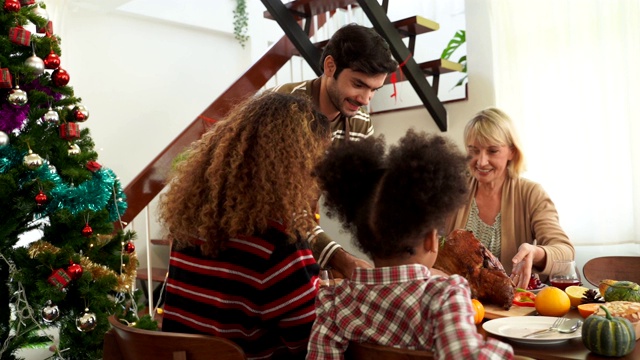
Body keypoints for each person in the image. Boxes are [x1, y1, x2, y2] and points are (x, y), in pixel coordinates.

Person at [307, 129, 514, 359]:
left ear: (366, 240)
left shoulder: (336, 302)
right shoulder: (443, 297)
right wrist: (504, 349)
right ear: (430, 240)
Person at [158, 92, 331, 359]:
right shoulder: (278, 246)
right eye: (314, 164)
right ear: (291, 165)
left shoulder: (191, 223)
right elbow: (309, 342)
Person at [271, 23, 398, 279]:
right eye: (359, 84)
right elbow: (284, 207)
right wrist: (340, 259)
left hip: (301, 240)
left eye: (374, 90)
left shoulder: (359, 122)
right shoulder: (286, 109)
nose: (365, 99)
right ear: (330, 67)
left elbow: (367, 195)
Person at [445, 107, 575, 290]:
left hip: (515, 308)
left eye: (493, 151)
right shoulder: (452, 192)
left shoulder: (531, 193)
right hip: (459, 303)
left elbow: (565, 252)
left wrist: (535, 252)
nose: (481, 161)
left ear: (512, 152)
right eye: (473, 151)